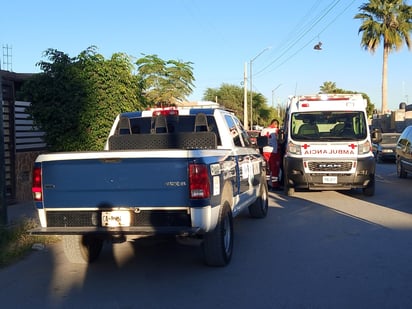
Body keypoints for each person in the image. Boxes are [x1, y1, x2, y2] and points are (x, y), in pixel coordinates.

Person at [261, 119, 282, 190]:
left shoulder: (264, 130)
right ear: (276, 124)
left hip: (265, 150)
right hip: (273, 151)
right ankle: (275, 185)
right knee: (274, 168)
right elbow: (280, 140)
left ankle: (266, 185)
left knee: (267, 168)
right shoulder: (276, 130)